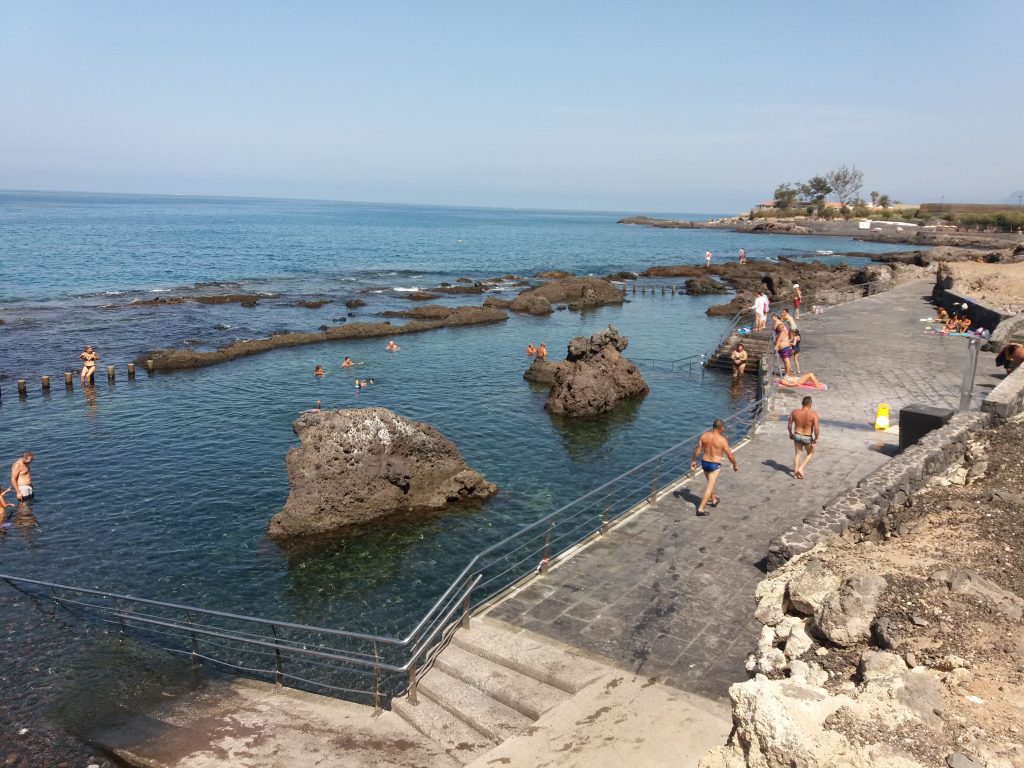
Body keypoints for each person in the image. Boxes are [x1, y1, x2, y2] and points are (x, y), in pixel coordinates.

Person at [690, 419, 738, 516]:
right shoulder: (722, 440)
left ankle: (714, 500)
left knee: (709, 482)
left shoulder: (704, 435)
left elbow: (698, 449)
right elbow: (730, 455)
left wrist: (694, 460)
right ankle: (700, 509)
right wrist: (734, 464)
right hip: (714, 464)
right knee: (710, 486)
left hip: (704, 462)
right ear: (721, 428)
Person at [788, 396, 820, 479]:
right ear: (810, 404)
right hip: (807, 437)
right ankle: (801, 468)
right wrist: (816, 439)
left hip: (797, 435)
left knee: (797, 454)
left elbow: (790, 424)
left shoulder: (794, 412)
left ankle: (795, 473)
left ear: (802, 403)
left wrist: (790, 433)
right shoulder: (814, 414)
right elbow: (816, 428)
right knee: (810, 453)